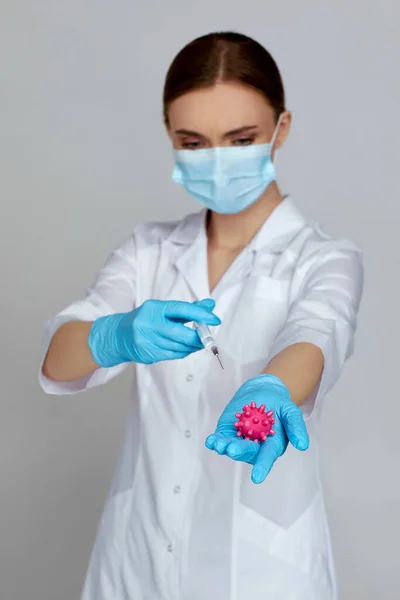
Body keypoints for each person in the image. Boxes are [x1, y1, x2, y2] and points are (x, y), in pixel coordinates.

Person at [40, 31, 363, 600]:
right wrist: (113, 336)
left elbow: (317, 330)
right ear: (169, 134)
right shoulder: (147, 252)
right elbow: (59, 358)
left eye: (240, 139)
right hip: (136, 558)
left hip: (262, 571)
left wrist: (271, 385)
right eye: (193, 142)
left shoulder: (324, 257)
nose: (216, 161)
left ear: (281, 129)